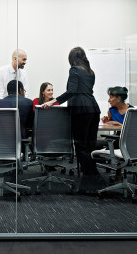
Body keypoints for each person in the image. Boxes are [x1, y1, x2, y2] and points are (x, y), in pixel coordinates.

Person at [42, 47, 105, 193]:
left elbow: (72, 91)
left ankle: (95, 180)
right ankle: (90, 182)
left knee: (81, 146)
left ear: (72, 58)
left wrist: (53, 101)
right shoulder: (90, 72)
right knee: (89, 147)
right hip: (93, 109)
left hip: (81, 110)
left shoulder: (74, 70)